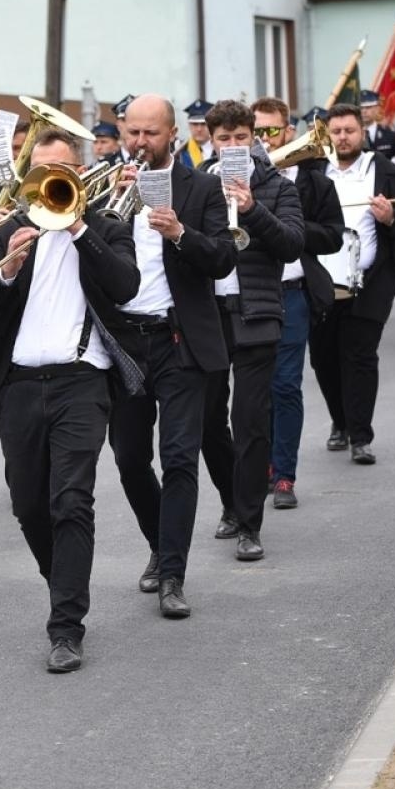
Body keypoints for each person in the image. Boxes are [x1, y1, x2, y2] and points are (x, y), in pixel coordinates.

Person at [0, 127, 140, 672]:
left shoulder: (106, 226)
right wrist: (7, 267)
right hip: (19, 386)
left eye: (58, 171)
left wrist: (79, 227)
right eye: (37, 172)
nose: (47, 181)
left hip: (82, 382)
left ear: (78, 173)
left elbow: (125, 284)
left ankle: (65, 626)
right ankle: (63, 580)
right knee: (28, 504)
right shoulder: (11, 230)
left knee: (71, 500)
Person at [103, 95, 236, 619]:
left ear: (173, 135)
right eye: (132, 132)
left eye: (150, 134)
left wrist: (180, 233)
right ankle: (159, 545)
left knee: (180, 457)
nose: (138, 143)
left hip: (180, 340)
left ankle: (173, 574)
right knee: (130, 458)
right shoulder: (104, 190)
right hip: (123, 342)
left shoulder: (201, 187)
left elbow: (224, 257)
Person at [195, 101, 303, 562]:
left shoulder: (276, 185)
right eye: (225, 139)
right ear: (211, 141)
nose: (234, 146)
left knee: (251, 421)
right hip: (207, 314)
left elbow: (293, 243)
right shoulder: (196, 186)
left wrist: (253, 208)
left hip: (258, 311)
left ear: (254, 137)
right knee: (206, 422)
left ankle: (249, 523)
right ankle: (231, 501)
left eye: (242, 137)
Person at [308, 104, 395, 466]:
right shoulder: (312, 172)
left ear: (363, 132)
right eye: (336, 131)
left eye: (349, 131)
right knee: (324, 358)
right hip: (321, 282)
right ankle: (339, 422)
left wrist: (391, 218)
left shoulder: (388, 173)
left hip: (370, 281)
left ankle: (360, 436)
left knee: (360, 356)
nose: (342, 137)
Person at [252, 100, 342, 511]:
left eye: (271, 131)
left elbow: (333, 237)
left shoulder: (316, 182)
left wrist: (288, 224)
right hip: (251, 295)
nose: (263, 139)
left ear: (288, 131)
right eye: (257, 131)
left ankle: (284, 474)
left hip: (292, 292)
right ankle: (261, 468)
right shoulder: (242, 177)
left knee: (286, 385)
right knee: (257, 390)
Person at [360, 91, 395, 161]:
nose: (364, 111)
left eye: (368, 107)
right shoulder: (351, 136)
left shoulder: (390, 136)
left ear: (377, 109)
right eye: (361, 108)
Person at [176, 100, 214, 168]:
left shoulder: (219, 148)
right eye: (195, 124)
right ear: (189, 125)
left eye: (203, 124)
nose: (199, 129)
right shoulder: (178, 150)